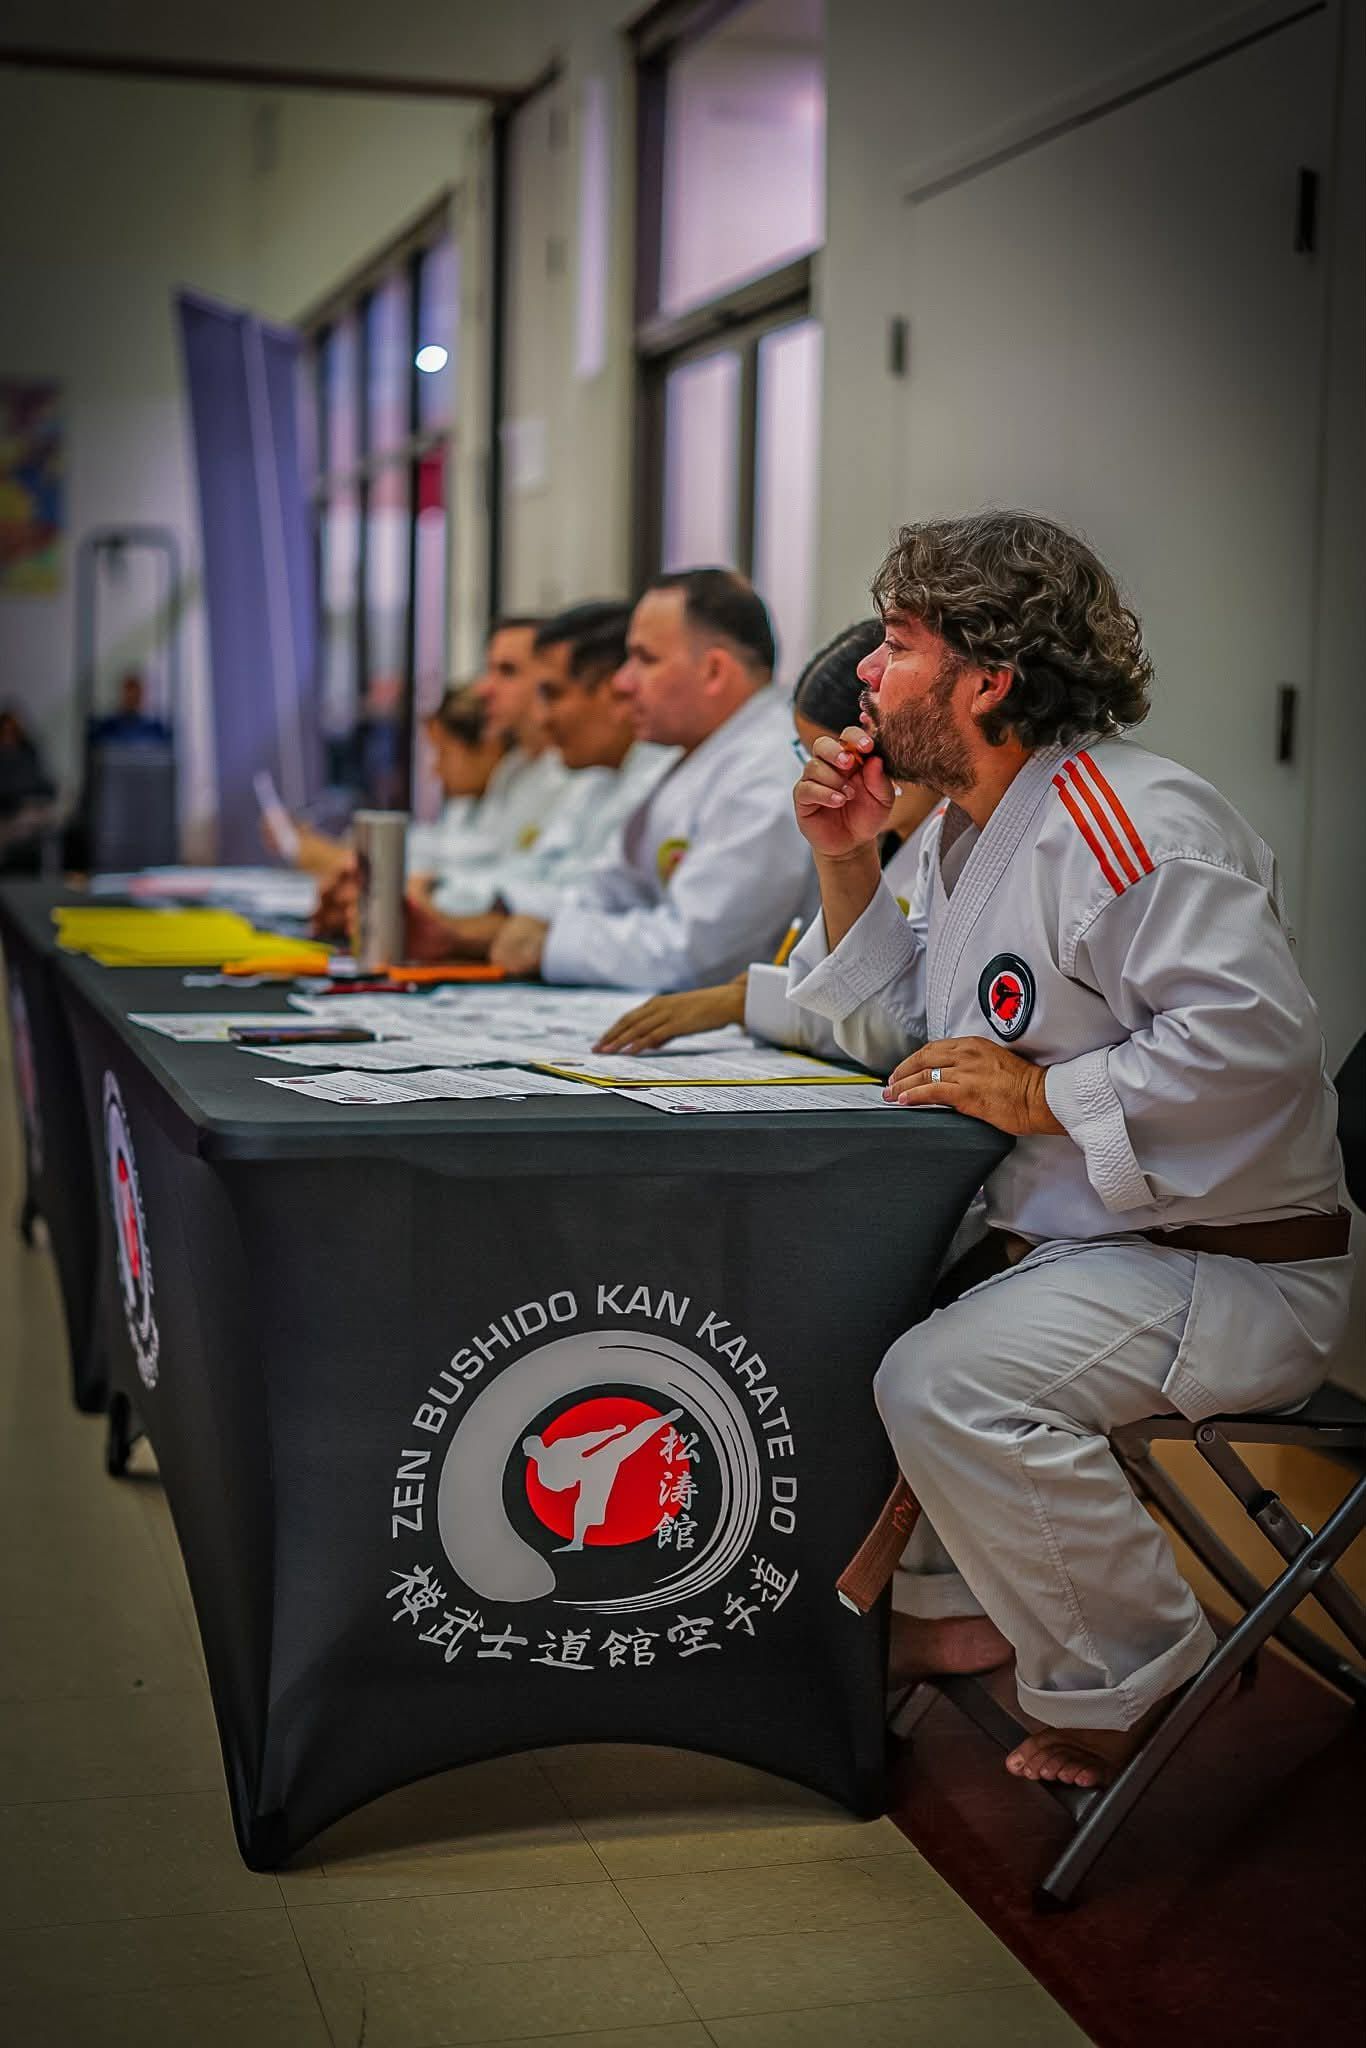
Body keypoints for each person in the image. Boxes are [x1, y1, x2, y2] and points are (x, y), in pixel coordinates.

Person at [785, 510, 1351, 1788]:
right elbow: (910, 1031)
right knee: (833, 1315)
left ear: (986, 677)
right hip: (1093, 1248)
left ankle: (1137, 1669)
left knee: (946, 1380)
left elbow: (1255, 1048)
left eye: (897, 642)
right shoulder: (969, 826)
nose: (866, 672)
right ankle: (946, 1619)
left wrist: (1044, 1100)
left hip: (1226, 1265)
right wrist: (844, 860)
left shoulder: (1126, 822)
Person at [595, 618, 941, 1053]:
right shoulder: (880, 839)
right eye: (808, 755)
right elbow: (865, 1006)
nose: (829, 777)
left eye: (841, 756)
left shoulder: (948, 834)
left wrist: (745, 1001)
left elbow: (918, 1023)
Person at [485, 568, 814, 989]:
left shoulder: (772, 768)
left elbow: (694, 954)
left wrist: (550, 941)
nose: (622, 683)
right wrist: (542, 920)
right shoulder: (694, 758)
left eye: (645, 659)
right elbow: (607, 888)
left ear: (714, 671)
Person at [400, 603, 677, 961]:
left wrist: (444, 906)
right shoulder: (590, 778)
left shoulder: (646, 777)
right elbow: (544, 873)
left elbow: (601, 906)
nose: (485, 689)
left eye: (552, 693)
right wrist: (438, 895)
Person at [0, 705, 58, 874]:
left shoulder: (28, 752)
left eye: (12, 729)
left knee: (47, 822)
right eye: (5, 729)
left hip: (26, 812)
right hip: (4, 815)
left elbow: (44, 784)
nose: (8, 734)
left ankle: (47, 877)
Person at [89, 672, 172, 748]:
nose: (132, 697)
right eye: (128, 692)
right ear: (122, 694)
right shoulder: (107, 727)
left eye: (136, 693)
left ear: (141, 695)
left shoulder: (153, 729)